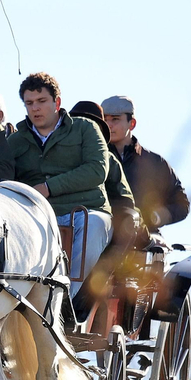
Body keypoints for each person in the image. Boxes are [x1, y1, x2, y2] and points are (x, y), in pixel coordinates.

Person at [7, 73, 110, 294]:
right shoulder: (15, 141)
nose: (35, 108)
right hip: (34, 215)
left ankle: (64, 302)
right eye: (29, 103)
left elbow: (97, 170)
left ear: (57, 102)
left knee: (94, 226)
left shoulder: (85, 128)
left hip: (84, 212)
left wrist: (48, 188)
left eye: (42, 101)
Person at [67, 100, 146, 324]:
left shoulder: (108, 160)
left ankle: (81, 300)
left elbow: (125, 203)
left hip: (94, 227)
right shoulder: (58, 157)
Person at [101, 95, 190, 234]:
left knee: (157, 248)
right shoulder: (94, 158)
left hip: (145, 238)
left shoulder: (155, 163)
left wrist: (156, 217)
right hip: (102, 233)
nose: (109, 125)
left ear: (132, 124)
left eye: (115, 119)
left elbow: (182, 205)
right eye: (104, 119)